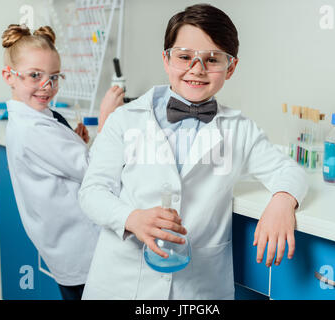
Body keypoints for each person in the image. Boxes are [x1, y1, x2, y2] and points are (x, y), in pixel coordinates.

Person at [78, 4, 308, 300]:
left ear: (231, 67)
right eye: (184, 57)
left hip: (198, 289)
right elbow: (91, 191)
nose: (196, 69)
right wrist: (131, 218)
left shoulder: (240, 129)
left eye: (212, 59)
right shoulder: (126, 119)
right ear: (166, 59)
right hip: (122, 283)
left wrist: (283, 201)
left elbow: (289, 171)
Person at [1, 24, 124, 300]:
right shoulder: (33, 129)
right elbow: (95, 170)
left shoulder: (35, 117)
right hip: (80, 253)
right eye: (35, 76)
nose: (47, 86)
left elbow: (62, 159)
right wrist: (107, 121)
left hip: (67, 249)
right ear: (9, 76)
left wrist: (76, 142)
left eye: (54, 77)